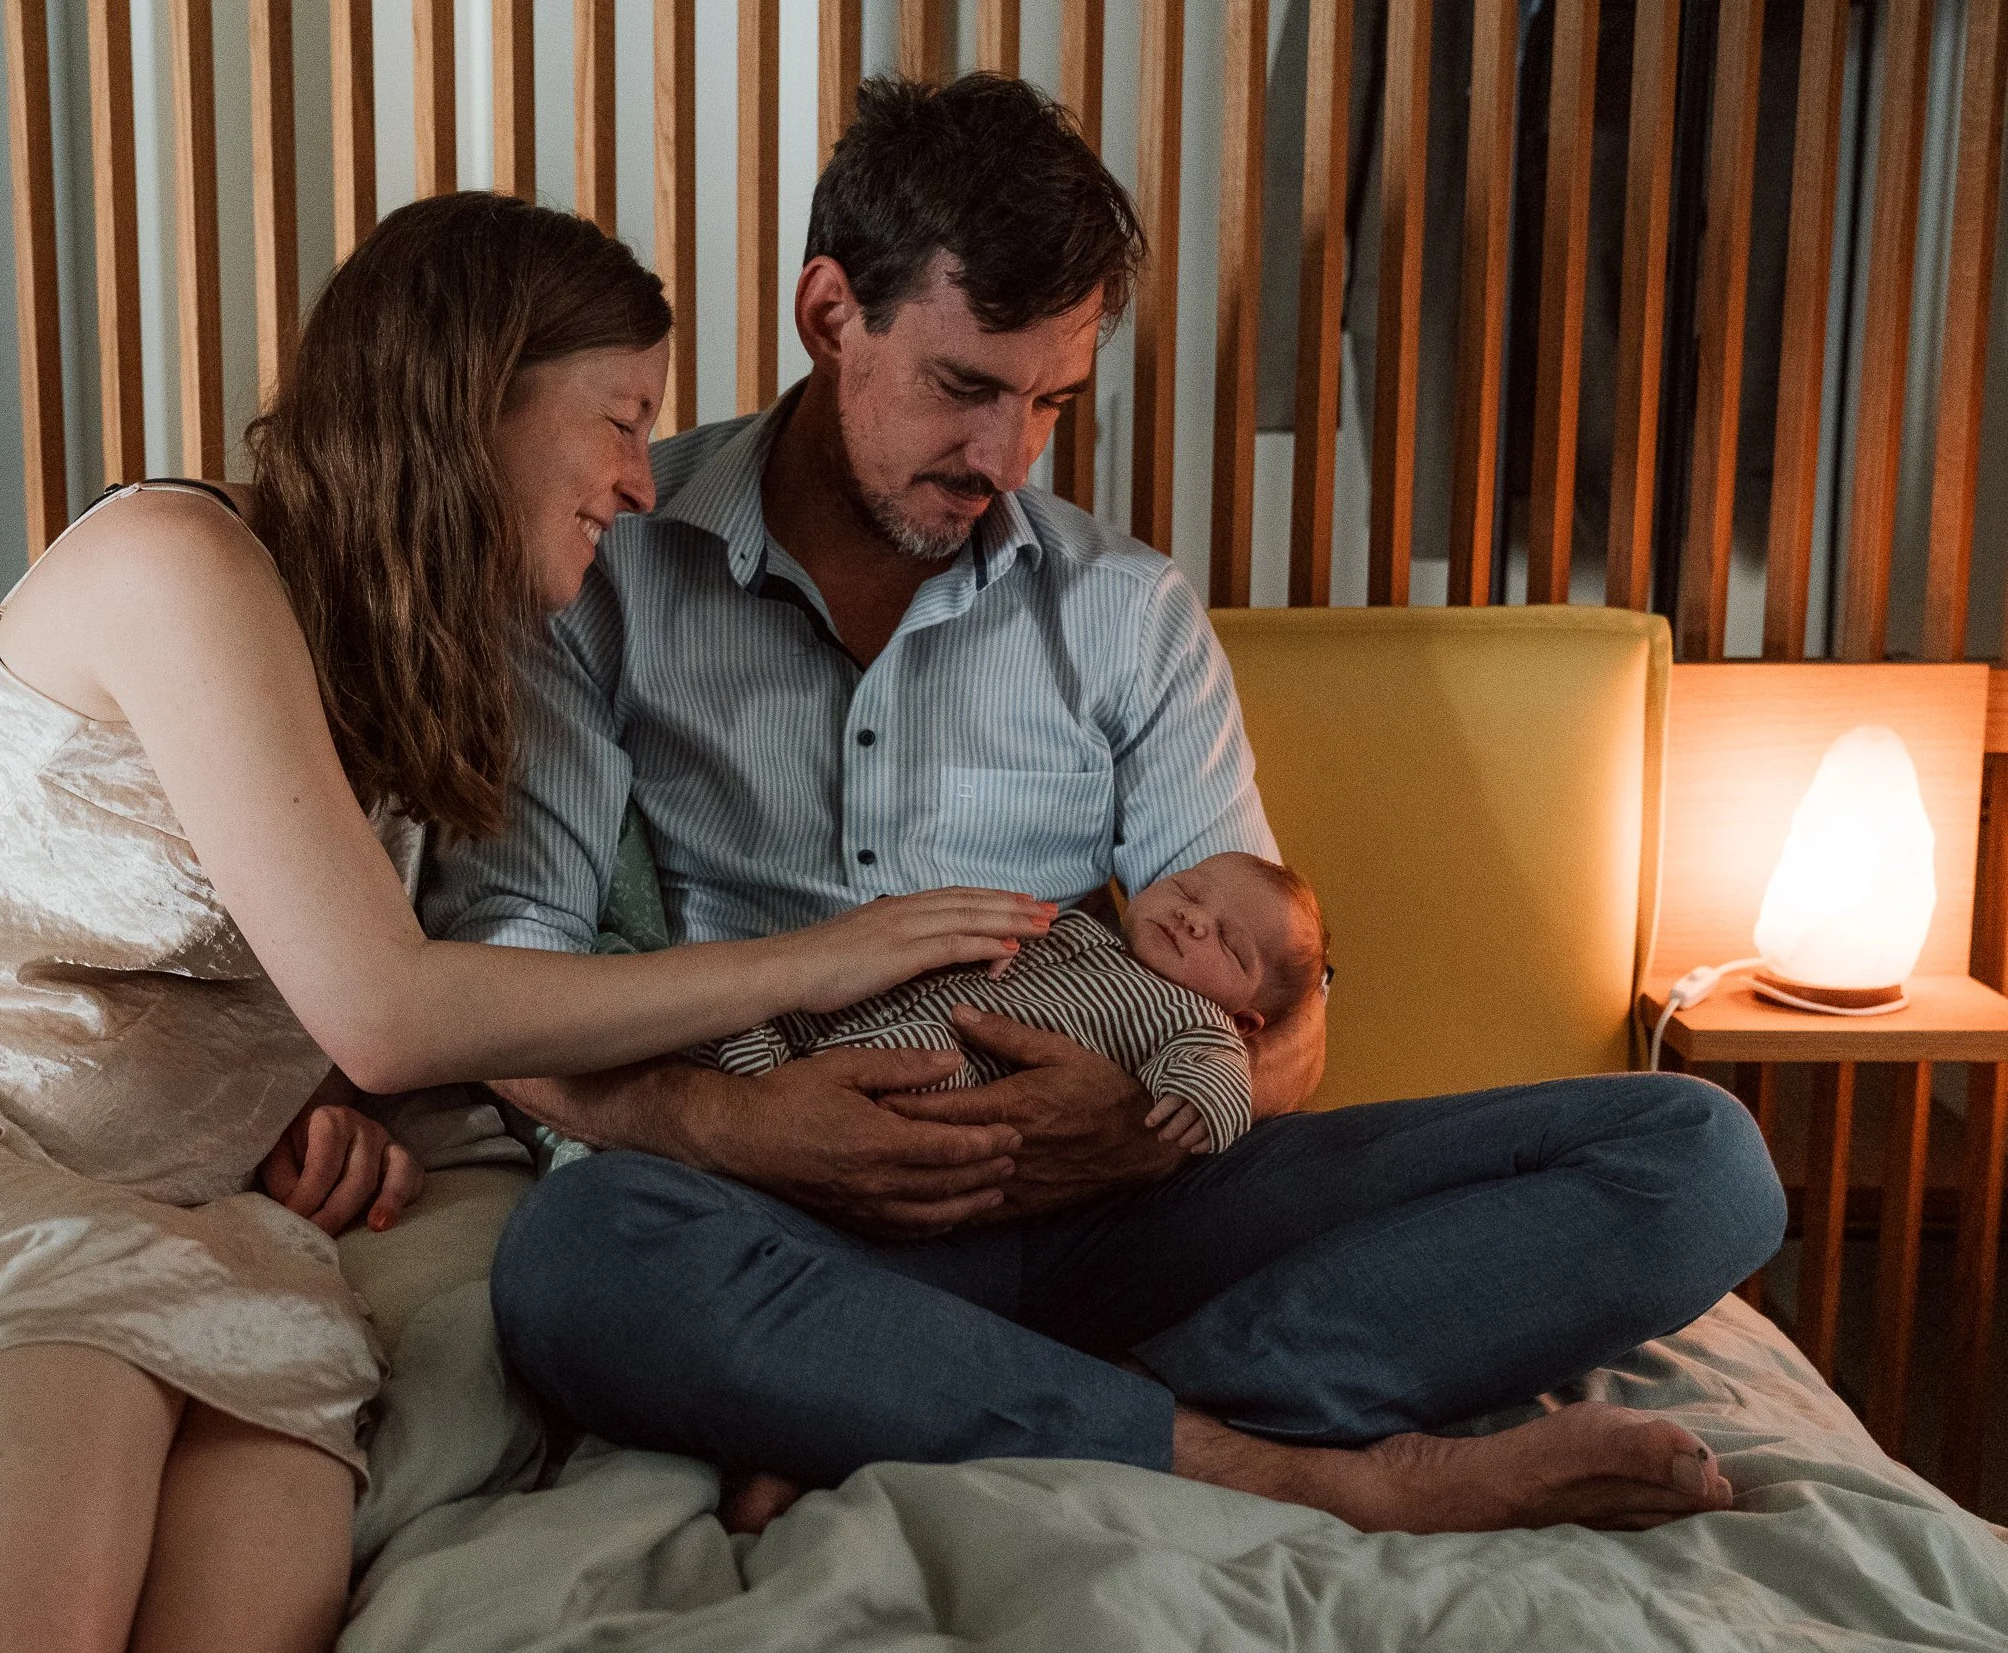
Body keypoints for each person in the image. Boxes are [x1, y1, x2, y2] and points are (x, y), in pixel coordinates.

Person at [0, 194, 1048, 1653]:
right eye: (619, 418)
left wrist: (326, 1101)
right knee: (99, 1325)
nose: (639, 482)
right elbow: (390, 1000)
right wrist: (818, 960)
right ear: (475, 399)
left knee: (287, 1356)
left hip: (127, 1205)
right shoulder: (177, 560)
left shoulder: (421, 679)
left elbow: (326, 1003)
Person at [424, 76, 1787, 1537]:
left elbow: (1285, 1012)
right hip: (796, 1218)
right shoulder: (603, 568)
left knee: (1698, 1160)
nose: (1005, 459)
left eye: (1051, 403)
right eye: (965, 386)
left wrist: (1145, 1130)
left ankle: (1030, 1403)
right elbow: (506, 994)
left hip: (1135, 1211)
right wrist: (739, 1130)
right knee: (579, 1258)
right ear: (832, 314)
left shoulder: (1127, 612)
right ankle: (1293, 1460)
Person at [696, 852, 1330, 1154]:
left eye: (1228, 942)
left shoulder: (1198, 1020)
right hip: (922, 994)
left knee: (910, 1068)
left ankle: (777, 1080)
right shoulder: (1080, 929)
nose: (1195, 920)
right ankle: (740, 1052)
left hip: (965, 1059)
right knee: (790, 1006)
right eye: (1189, 890)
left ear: (1248, 1019)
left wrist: (1200, 1105)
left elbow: (1220, 1073)